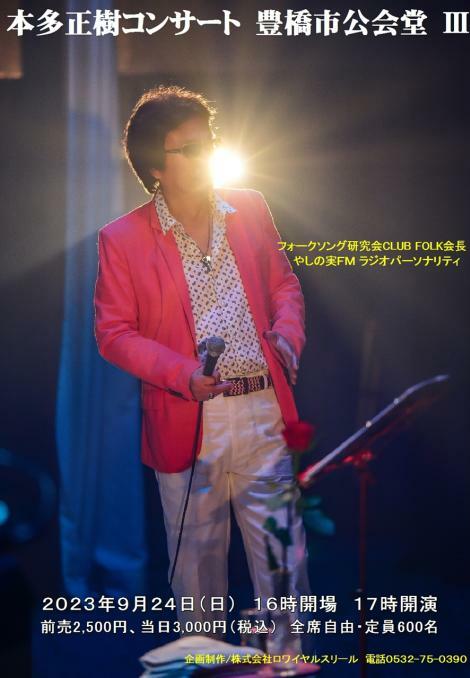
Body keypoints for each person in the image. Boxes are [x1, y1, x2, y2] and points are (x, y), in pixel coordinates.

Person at [94, 84, 311, 635]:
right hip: (189, 417)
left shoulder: (250, 206)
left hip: (262, 408)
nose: (206, 155)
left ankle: (283, 666)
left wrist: (288, 334)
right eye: (189, 148)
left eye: (209, 141)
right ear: (156, 167)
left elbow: (283, 284)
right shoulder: (122, 238)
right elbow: (113, 334)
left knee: (285, 566)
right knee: (197, 577)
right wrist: (180, 374)